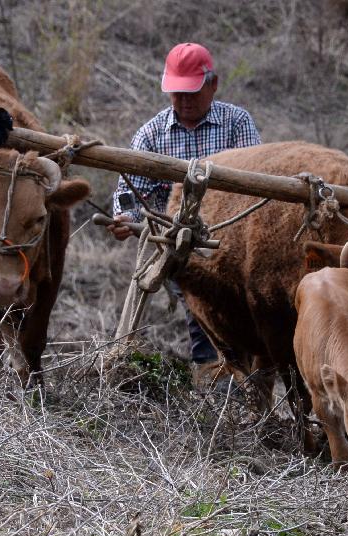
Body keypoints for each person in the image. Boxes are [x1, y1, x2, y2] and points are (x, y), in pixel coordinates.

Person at [106, 42, 262, 377]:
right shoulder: (150, 136)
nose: (184, 100)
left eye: (191, 92)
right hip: (177, 247)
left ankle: (246, 379)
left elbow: (255, 186)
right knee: (203, 312)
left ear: (213, 84)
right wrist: (126, 219)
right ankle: (217, 384)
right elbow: (132, 196)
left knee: (254, 317)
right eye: (176, 93)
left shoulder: (236, 124)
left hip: (234, 244)